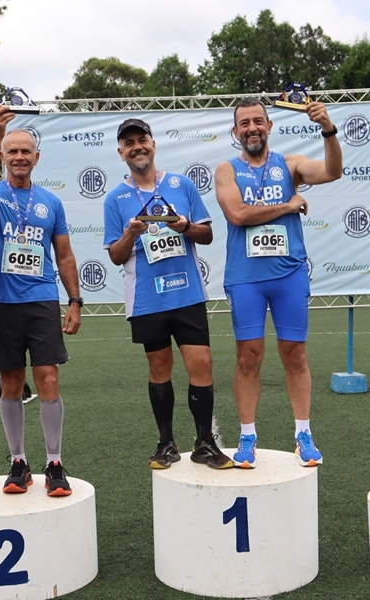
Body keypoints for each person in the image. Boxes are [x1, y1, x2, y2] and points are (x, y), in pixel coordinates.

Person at [214, 97, 343, 469]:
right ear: (235, 131)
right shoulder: (227, 170)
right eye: (244, 123)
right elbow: (237, 214)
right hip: (246, 279)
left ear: (269, 126)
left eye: (258, 121)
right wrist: (288, 206)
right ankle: (247, 435)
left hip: (288, 275)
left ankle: (303, 433)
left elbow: (333, 171)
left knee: (295, 354)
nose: (251, 128)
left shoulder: (290, 165)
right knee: (248, 356)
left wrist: (328, 129)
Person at [104, 118, 232, 470]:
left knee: (201, 363)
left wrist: (184, 226)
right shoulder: (116, 199)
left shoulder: (182, 185)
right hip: (147, 298)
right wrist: (130, 234)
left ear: (153, 144)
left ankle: (205, 442)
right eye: (128, 143)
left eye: (141, 139)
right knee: (159, 367)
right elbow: (115, 255)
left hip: (187, 294)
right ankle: (166, 443)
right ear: (121, 152)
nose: (136, 147)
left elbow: (205, 235)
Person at [0, 104, 82, 497]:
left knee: (48, 378)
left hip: (41, 300)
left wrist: (74, 300)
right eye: (12, 151)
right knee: (11, 382)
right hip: (1, 302)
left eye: (26, 152)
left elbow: (65, 255)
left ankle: (54, 462)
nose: (19, 157)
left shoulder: (51, 201)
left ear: (36, 158)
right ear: (3, 156)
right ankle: (18, 461)